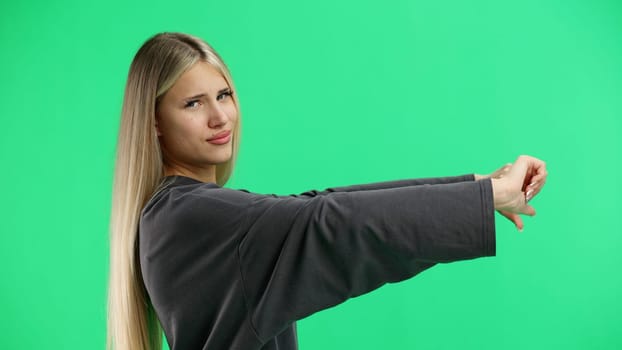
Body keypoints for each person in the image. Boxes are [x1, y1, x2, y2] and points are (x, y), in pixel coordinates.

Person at [106, 32, 548, 350]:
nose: (220, 117)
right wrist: (487, 198)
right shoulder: (187, 216)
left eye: (224, 95)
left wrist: (478, 187)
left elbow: (317, 205)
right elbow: (328, 220)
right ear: (154, 123)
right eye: (193, 103)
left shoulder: (178, 214)